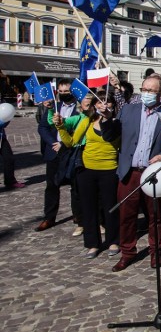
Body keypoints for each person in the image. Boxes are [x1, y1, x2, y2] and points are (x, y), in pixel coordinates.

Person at [112, 74, 161, 273]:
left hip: (154, 173)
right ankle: (127, 252)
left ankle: (156, 251)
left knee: (155, 216)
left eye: (151, 91)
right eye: (144, 89)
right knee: (126, 215)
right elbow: (112, 135)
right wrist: (106, 120)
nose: (146, 94)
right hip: (130, 172)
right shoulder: (128, 110)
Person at [58, 91, 121, 258]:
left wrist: (107, 119)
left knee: (110, 207)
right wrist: (60, 127)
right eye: (99, 102)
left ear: (113, 105)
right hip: (87, 170)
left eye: (107, 101)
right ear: (94, 105)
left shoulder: (118, 123)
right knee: (89, 208)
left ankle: (113, 240)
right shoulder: (87, 121)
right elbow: (70, 142)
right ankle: (92, 244)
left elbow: (116, 141)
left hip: (109, 170)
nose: (103, 105)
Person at [36, 79, 82, 232]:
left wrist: (64, 143)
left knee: (75, 186)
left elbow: (80, 128)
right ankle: (49, 217)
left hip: (71, 151)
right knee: (51, 186)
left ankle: (78, 215)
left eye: (66, 92)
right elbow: (43, 128)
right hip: (54, 152)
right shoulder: (54, 106)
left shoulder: (80, 108)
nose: (63, 94)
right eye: (60, 92)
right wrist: (52, 143)